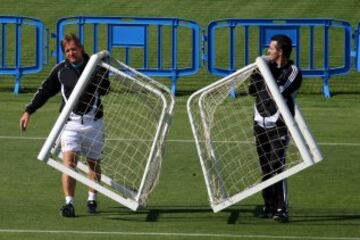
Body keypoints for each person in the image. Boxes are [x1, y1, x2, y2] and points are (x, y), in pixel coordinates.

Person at [19, 33, 110, 217]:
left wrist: (100, 72)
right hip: (70, 124)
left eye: (74, 49)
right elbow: (45, 90)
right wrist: (29, 110)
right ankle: (69, 203)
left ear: (81, 48)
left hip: (94, 123)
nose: (71, 53)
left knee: (94, 163)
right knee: (69, 163)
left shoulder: (96, 65)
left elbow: (105, 90)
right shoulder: (61, 70)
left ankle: (92, 198)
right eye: (67, 51)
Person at [249, 34, 302, 223]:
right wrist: (259, 72)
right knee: (265, 168)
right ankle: (268, 206)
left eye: (271, 48)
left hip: (279, 125)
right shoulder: (264, 67)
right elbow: (252, 90)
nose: (268, 51)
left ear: (280, 51)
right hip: (259, 123)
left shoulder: (293, 71)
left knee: (277, 167)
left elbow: (277, 92)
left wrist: (267, 72)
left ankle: (282, 208)